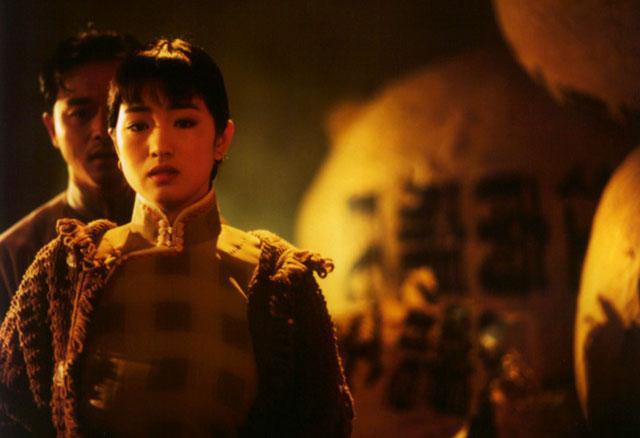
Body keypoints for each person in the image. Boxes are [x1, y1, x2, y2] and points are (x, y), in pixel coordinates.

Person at [0, 38, 353, 436]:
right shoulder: (64, 270)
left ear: (222, 138)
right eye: (138, 125)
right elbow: (11, 408)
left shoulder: (278, 282)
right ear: (115, 140)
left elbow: (322, 421)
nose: (160, 146)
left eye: (184, 122)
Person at [0, 30, 138, 317]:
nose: (101, 130)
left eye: (116, 110)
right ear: (52, 128)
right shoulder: (12, 256)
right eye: (81, 113)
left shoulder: (185, 237)